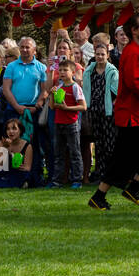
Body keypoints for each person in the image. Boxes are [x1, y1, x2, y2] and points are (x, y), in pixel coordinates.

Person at [88, 14, 139, 210]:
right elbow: (135, 84)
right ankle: (127, 189)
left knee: (125, 157)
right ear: (133, 30)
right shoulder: (132, 53)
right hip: (133, 115)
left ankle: (105, 194)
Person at [1, 37, 49, 177]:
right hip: (14, 110)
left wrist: (37, 105)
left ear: (34, 50)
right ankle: (7, 174)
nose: (24, 49)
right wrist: (16, 106)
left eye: (27, 47)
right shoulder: (11, 67)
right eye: (22, 47)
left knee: (33, 144)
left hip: (33, 110)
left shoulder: (41, 67)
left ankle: (34, 174)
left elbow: (44, 90)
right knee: (9, 141)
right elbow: (6, 89)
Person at [83, 42, 119, 184]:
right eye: (97, 54)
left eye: (102, 54)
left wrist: (112, 107)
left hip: (108, 111)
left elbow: (116, 93)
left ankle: (112, 174)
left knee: (109, 144)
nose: (99, 57)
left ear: (107, 55)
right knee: (98, 144)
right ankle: (100, 174)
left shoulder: (112, 71)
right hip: (94, 111)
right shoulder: (89, 71)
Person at [48, 59, 86, 188]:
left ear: (73, 72)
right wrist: (52, 95)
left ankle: (77, 180)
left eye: (65, 70)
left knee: (75, 152)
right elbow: (52, 107)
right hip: (59, 123)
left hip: (71, 123)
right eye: (60, 70)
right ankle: (57, 181)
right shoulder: (58, 87)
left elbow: (83, 107)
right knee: (58, 153)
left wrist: (67, 109)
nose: (62, 73)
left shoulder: (75, 87)